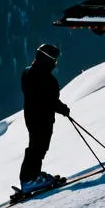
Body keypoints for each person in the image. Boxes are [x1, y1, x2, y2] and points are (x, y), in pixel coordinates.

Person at [19, 43, 70, 192]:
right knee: (39, 148)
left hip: (30, 117)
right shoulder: (49, 80)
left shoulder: (27, 73)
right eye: (54, 60)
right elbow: (52, 101)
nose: (55, 63)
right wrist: (64, 110)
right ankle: (29, 180)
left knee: (35, 146)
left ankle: (32, 176)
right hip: (43, 119)